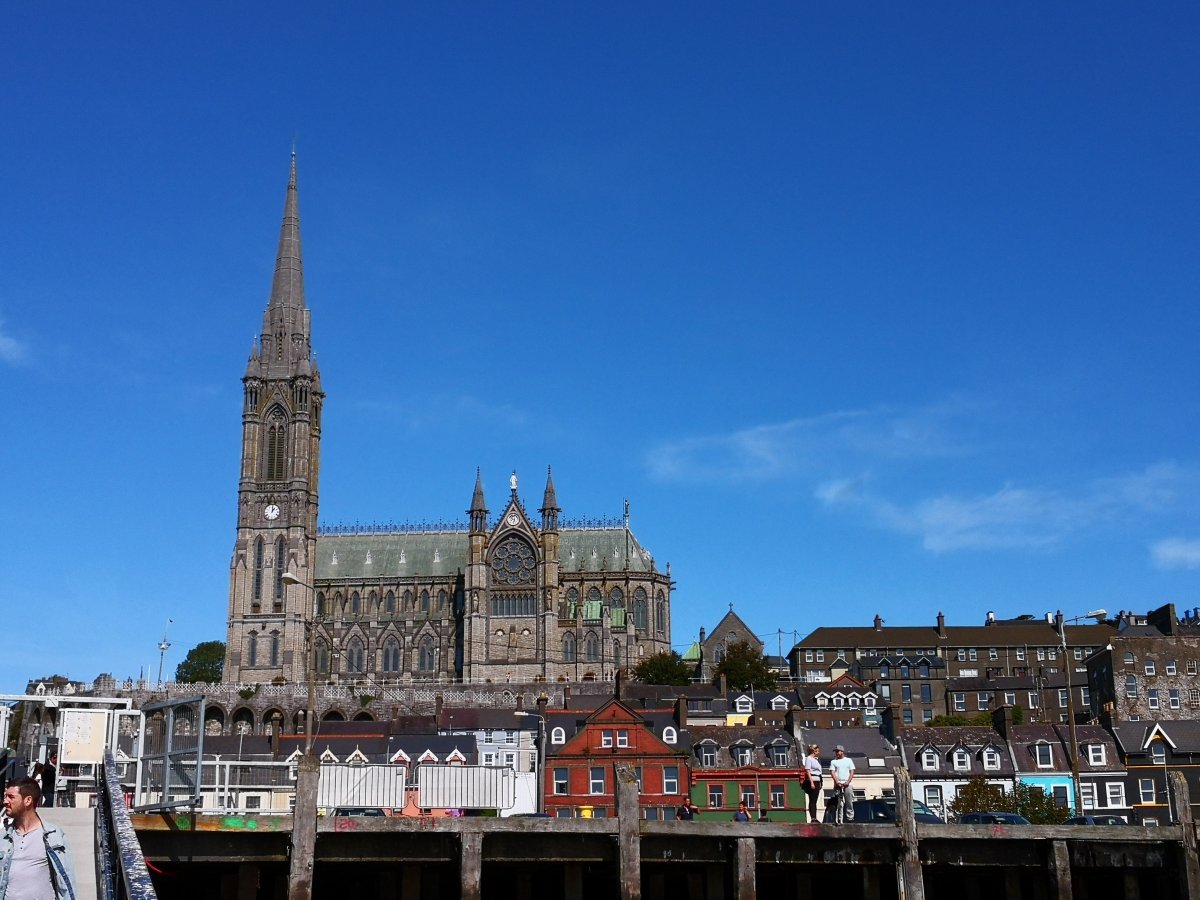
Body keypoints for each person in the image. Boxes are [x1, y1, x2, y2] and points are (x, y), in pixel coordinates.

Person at [0, 777, 76, 899]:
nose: (5, 801)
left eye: (11, 797)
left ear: (28, 800)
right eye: (5, 796)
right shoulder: (3, 837)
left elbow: (67, 880)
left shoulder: (53, 835)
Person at [829, 744, 855, 824]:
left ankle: (850, 818)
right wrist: (837, 782)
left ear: (842, 752)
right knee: (838, 803)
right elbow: (832, 772)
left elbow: (852, 771)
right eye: (835, 751)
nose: (836, 753)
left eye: (837, 751)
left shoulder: (849, 760)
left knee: (849, 801)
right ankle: (838, 819)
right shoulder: (833, 761)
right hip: (838, 784)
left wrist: (848, 781)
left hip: (847, 783)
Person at [802, 743, 823, 823]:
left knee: (815, 800)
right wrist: (811, 783)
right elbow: (808, 770)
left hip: (817, 779)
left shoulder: (816, 760)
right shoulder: (809, 759)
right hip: (813, 779)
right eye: (817, 750)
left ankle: (815, 817)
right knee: (812, 800)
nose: (818, 751)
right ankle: (813, 818)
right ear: (814, 751)